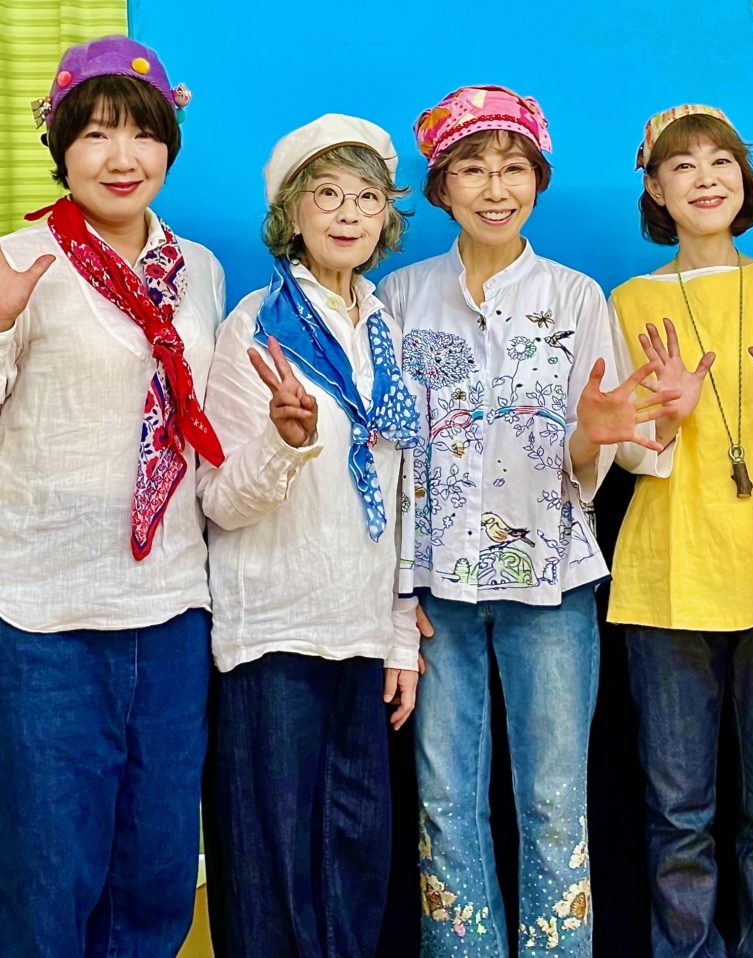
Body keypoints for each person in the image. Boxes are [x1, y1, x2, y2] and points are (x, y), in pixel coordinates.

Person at [377, 84, 676, 957]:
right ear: (442, 186)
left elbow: (587, 460)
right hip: (436, 589)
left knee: (553, 799)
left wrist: (595, 433)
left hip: (553, 583)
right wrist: (395, 594)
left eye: (513, 168)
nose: (495, 187)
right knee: (444, 800)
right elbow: (388, 456)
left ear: (537, 181)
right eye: (473, 168)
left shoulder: (577, 297)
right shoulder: (399, 297)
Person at [607, 103, 753, 958]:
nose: (705, 178)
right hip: (670, 574)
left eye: (721, 162)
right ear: (654, 190)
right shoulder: (629, 301)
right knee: (678, 814)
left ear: (744, 181)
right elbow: (623, 449)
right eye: (682, 165)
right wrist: (663, 422)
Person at [0, 35, 224, 955]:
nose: (121, 157)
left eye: (142, 133)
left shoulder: (198, 268)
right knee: (50, 874)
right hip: (46, 614)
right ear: (61, 148)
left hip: (172, 607)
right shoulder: (20, 258)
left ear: (169, 144)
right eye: (95, 134)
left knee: (158, 874)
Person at [197, 114, 421, 958]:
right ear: (291, 213)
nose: (348, 213)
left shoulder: (387, 331)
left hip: (360, 632)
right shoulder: (255, 325)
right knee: (272, 871)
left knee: (357, 860)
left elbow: (402, 494)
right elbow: (220, 500)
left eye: (366, 196)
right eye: (326, 194)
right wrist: (282, 445)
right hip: (273, 632)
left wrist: (400, 634)